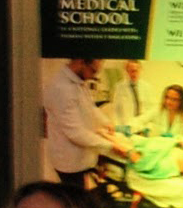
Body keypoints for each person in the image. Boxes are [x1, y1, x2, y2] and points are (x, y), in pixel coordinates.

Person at [42, 56, 131, 186]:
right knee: (76, 199)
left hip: (82, 156)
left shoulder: (79, 81)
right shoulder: (61, 89)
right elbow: (76, 133)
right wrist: (111, 146)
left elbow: (90, 107)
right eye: (93, 71)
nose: (93, 76)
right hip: (69, 161)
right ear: (81, 62)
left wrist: (106, 122)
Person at [102, 59, 147, 128]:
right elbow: (116, 110)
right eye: (131, 71)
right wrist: (119, 127)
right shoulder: (119, 87)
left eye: (136, 71)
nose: (134, 74)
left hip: (142, 126)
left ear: (140, 70)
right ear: (127, 71)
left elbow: (150, 109)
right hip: (126, 126)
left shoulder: (146, 87)